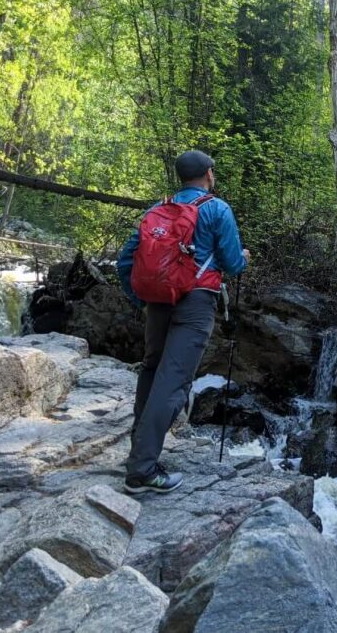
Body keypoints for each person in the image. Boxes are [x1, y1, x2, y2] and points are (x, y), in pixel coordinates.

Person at [117, 150, 249, 494]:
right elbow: (233, 264)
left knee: (151, 371)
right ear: (208, 174)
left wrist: (142, 300)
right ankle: (143, 470)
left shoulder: (156, 210)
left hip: (158, 303)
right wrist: (244, 259)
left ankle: (138, 453)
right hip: (195, 304)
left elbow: (125, 262)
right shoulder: (217, 209)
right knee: (173, 382)